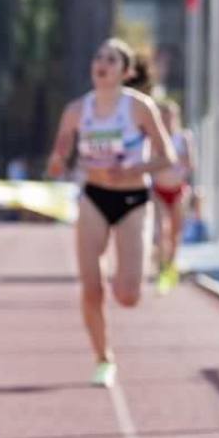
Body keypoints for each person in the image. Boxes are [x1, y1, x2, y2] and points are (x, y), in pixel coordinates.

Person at [46, 37, 175, 389]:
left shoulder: (139, 107)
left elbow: (167, 157)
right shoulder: (76, 110)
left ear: (126, 71)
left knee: (128, 296)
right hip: (94, 197)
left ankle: (135, 271)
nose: (101, 64)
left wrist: (133, 171)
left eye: (111, 60)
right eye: (97, 57)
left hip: (133, 200)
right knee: (91, 288)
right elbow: (59, 157)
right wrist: (58, 161)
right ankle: (103, 359)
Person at [152, 99, 195, 292]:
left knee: (176, 232)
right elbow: (149, 162)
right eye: (163, 117)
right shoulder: (155, 139)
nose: (167, 121)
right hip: (159, 190)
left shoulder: (184, 137)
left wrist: (177, 160)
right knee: (162, 230)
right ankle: (162, 268)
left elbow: (192, 164)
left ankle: (171, 265)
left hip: (178, 190)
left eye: (170, 117)